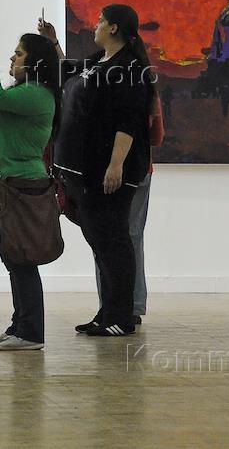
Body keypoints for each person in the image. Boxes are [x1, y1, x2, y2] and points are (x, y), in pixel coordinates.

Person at [44, 5, 152, 337]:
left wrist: (116, 164)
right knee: (99, 242)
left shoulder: (130, 69)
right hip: (84, 170)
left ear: (114, 28)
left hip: (108, 170)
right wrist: (53, 42)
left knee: (114, 241)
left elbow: (128, 122)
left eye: (102, 21)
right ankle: (107, 312)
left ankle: (122, 316)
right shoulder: (99, 61)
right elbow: (69, 71)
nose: (96, 25)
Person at [0, 34, 60, 351]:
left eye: (18, 53)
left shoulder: (37, 94)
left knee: (21, 261)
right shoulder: (20, 92)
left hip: (17, 185)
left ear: (35, 62)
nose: (12, 58)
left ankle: (31, 332)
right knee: (13, 261)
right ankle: (19, 325)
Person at [92, 89, 163, 327]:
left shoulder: (105, 93)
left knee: (106, 240)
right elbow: (157, 137)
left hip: (111, 170)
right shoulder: (147, 93)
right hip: (142, 169)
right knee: (132, 238)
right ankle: (133, 305)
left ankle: (112, 305)